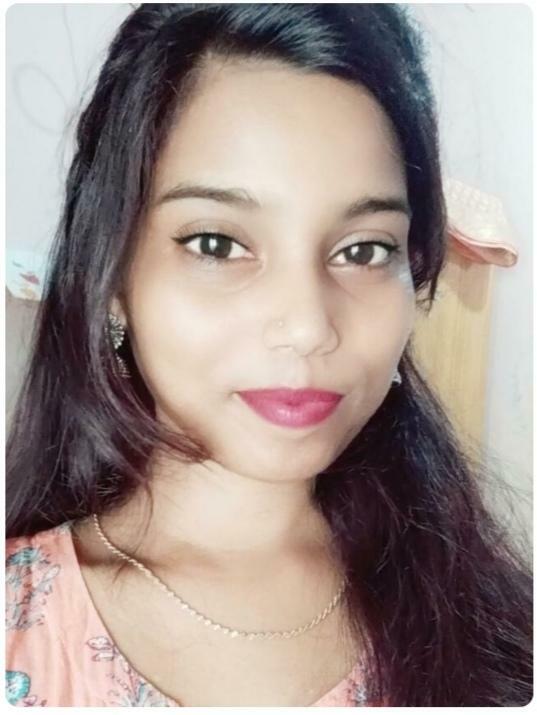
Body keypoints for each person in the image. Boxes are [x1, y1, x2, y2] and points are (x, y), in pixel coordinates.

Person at [5, 3, 532, 707]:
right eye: (218, 243)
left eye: (363, 250)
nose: (308, 326)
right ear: (113, 279)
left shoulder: (488, 617)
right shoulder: (19, 626)